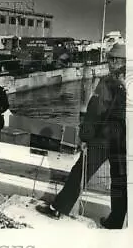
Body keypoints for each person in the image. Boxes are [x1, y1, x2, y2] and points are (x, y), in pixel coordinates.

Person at [37, 43, 127, 229]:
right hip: (124, 141)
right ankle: (116, 221)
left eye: (111, 59)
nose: (109, 62)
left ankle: (58, 208)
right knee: (120, 181)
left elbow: (95, 112)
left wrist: (85, 138)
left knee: (80, 172)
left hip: (103, 138)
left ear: (117, 61)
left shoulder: (108, 82)